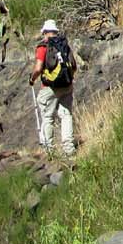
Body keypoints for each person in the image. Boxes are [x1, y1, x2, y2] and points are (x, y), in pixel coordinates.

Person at [30, 19, 77, 157]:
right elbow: (73, 66)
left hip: (49, 87)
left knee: (48, 117)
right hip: (67, 85)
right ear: (56, 31)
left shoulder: (43, 47)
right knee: (66, 115)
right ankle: (69, 149)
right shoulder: (64, 45)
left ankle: (49, 150)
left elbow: (38, 68)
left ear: (44, 32)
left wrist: (32, 78)